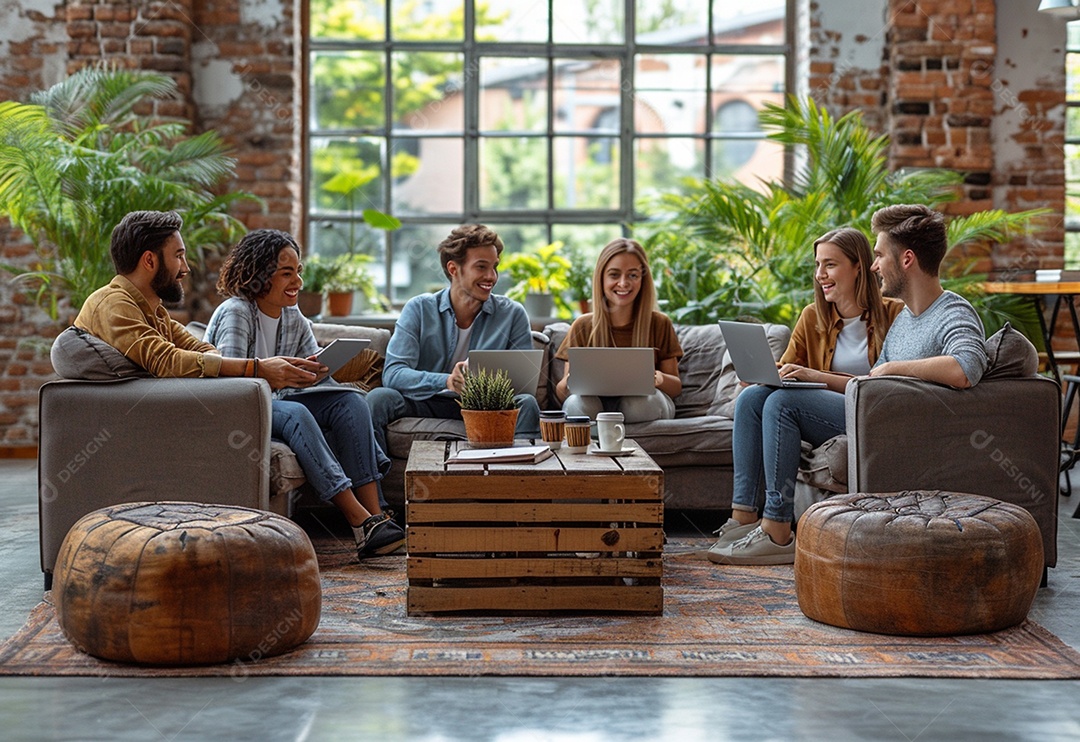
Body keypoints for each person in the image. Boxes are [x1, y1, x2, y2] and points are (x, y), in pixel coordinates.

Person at [709, 207, 987, 566]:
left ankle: (777, 530)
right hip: (872, 412)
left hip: (893, 426)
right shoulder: (906, 320)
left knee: (782, 404)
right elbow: (871, 382)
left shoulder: (953, 312)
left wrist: (890, 368)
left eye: (880, 255)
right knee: (758, 396)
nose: (874, 266)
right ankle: (748, 519)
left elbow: (965, 368)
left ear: (906, 259)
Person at [204, 229, 404, 559]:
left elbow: (309, 375)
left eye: (298, 271)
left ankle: (377, 519)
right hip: (247, 403)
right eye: (286, 273)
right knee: (298, 413)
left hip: (282, 399)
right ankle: (357, 519)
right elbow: (231, 382)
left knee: (352, 401)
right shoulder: (236, 312)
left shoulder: (293, 316)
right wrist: (276, 376)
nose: (296, 280)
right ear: (259, 274)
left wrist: (318, 370)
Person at [367, 224, 541, 454]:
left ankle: (520, 481)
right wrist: (447, 381)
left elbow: (523, 384)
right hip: (426, 402)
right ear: (454, 269)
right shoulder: (419, 309)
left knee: (527, 403)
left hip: (484, 408)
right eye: (481, 267)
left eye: (494, 267)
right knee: (379, 398)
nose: (491, 276)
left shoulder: (512, 314)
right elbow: (394, 374)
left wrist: (483, 387)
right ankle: (371, 485)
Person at [553, 238, 682, 422]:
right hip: (597, 405)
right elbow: (562, 394)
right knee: (578, 404)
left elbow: (676, 388)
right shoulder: (582, 326)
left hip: (647, 405)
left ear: (642, 280)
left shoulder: (659, 323)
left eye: (633, 275)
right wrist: (572, 380)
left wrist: (658, 378)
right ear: (601, 278)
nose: (623, 283)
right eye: (614, 275)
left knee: (637, 403)